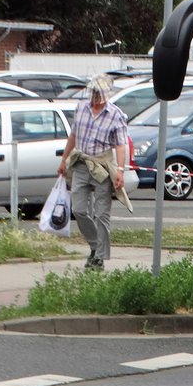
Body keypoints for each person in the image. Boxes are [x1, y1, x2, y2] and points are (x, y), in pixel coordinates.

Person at [59, 74, 131, 270]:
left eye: (99, 93)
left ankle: (99, 257)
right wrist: (64, 159)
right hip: (82, 163)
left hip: (102, 167)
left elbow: (121, 145)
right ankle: (94, 245)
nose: (96, 97)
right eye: (94, 92)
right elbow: (73, 135)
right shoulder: (81, 107)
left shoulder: (115, 115)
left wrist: (120, 171)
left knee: (101, 214)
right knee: (79, 210)